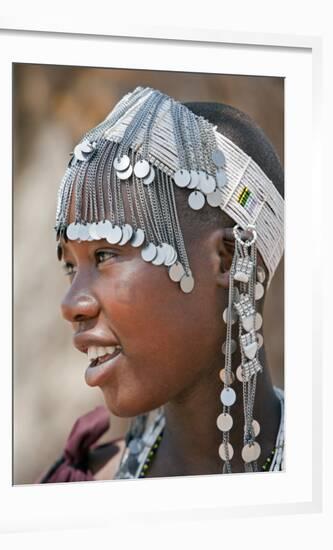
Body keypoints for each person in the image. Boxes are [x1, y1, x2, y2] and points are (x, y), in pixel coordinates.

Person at [37, 86, 284, 483]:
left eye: (104, 254)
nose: (71, 304)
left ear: (228, 260)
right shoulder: (78, 487)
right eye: (71, 266)